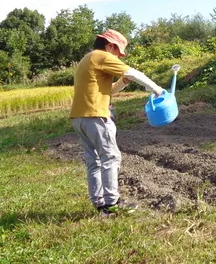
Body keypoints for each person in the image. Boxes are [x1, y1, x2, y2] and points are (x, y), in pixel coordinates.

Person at [70, 29, 165, 217]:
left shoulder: (88, 59)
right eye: (118, 52)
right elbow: (135, 72)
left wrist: (124, 82)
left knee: (94, 161)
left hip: (79, 118)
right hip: (96, 117)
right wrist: (157, 90)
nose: (118, 57)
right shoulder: (102, 56)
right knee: (111, 158)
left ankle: (99, 204)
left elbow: (108, 91)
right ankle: (112, 204)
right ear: (110, 45)